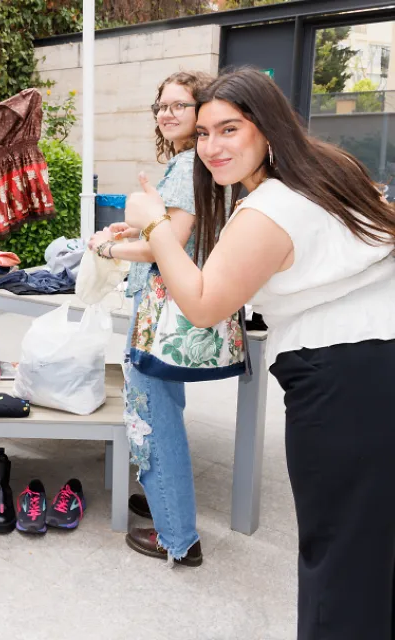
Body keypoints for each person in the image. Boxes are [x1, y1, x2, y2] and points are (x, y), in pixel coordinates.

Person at [125, 67, 395, 639]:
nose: (211, 147)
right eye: (204, 133)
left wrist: (154, 227)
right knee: (374, 546)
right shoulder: (328, 169)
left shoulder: (267, 210)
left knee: (340, 555)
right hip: (376, 359)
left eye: (230, 129)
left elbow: (202, 304)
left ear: (267, 126)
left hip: (343, 379)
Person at [88, 70, 214, 566]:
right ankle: (166, 502)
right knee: (163, 412)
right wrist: (134, 228)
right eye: (161, 105)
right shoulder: (199, 161)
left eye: (180, 105)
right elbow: (170, 231)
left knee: (154, 419)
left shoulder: (186, 165)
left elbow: (168, 246)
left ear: (201, 110)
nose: (167, 113)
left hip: (160, 307)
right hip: (172, 305)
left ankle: (177, 536)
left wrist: (107, 246)